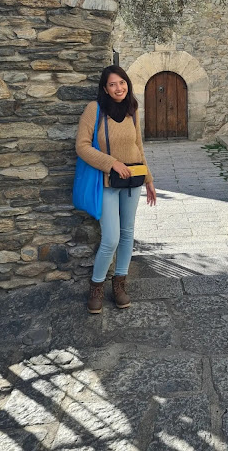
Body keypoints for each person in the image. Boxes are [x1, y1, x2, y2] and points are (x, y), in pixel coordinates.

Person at [76, 65, 156, 314]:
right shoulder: (94, 110)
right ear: (105, 88)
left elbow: (138, 146)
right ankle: (96, 286)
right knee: (111, 237)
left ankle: (119, 283)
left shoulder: (133, 109)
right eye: (112, 84)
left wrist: (149, 179)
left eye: (122, 83)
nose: (118, 88)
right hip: (108, 182)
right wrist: (112, 164)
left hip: (133, 181)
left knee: (127, 233)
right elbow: (82, 146)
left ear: (127, 84)